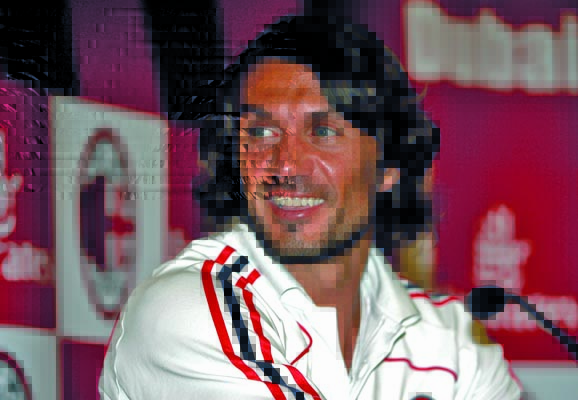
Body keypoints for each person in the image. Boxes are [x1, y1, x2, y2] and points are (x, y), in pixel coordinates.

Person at [99, 14, 522, 400]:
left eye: (322, 131)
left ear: (389, 165)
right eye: (260, 132)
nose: (285, 166)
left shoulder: (450, 340)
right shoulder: (184, 310)